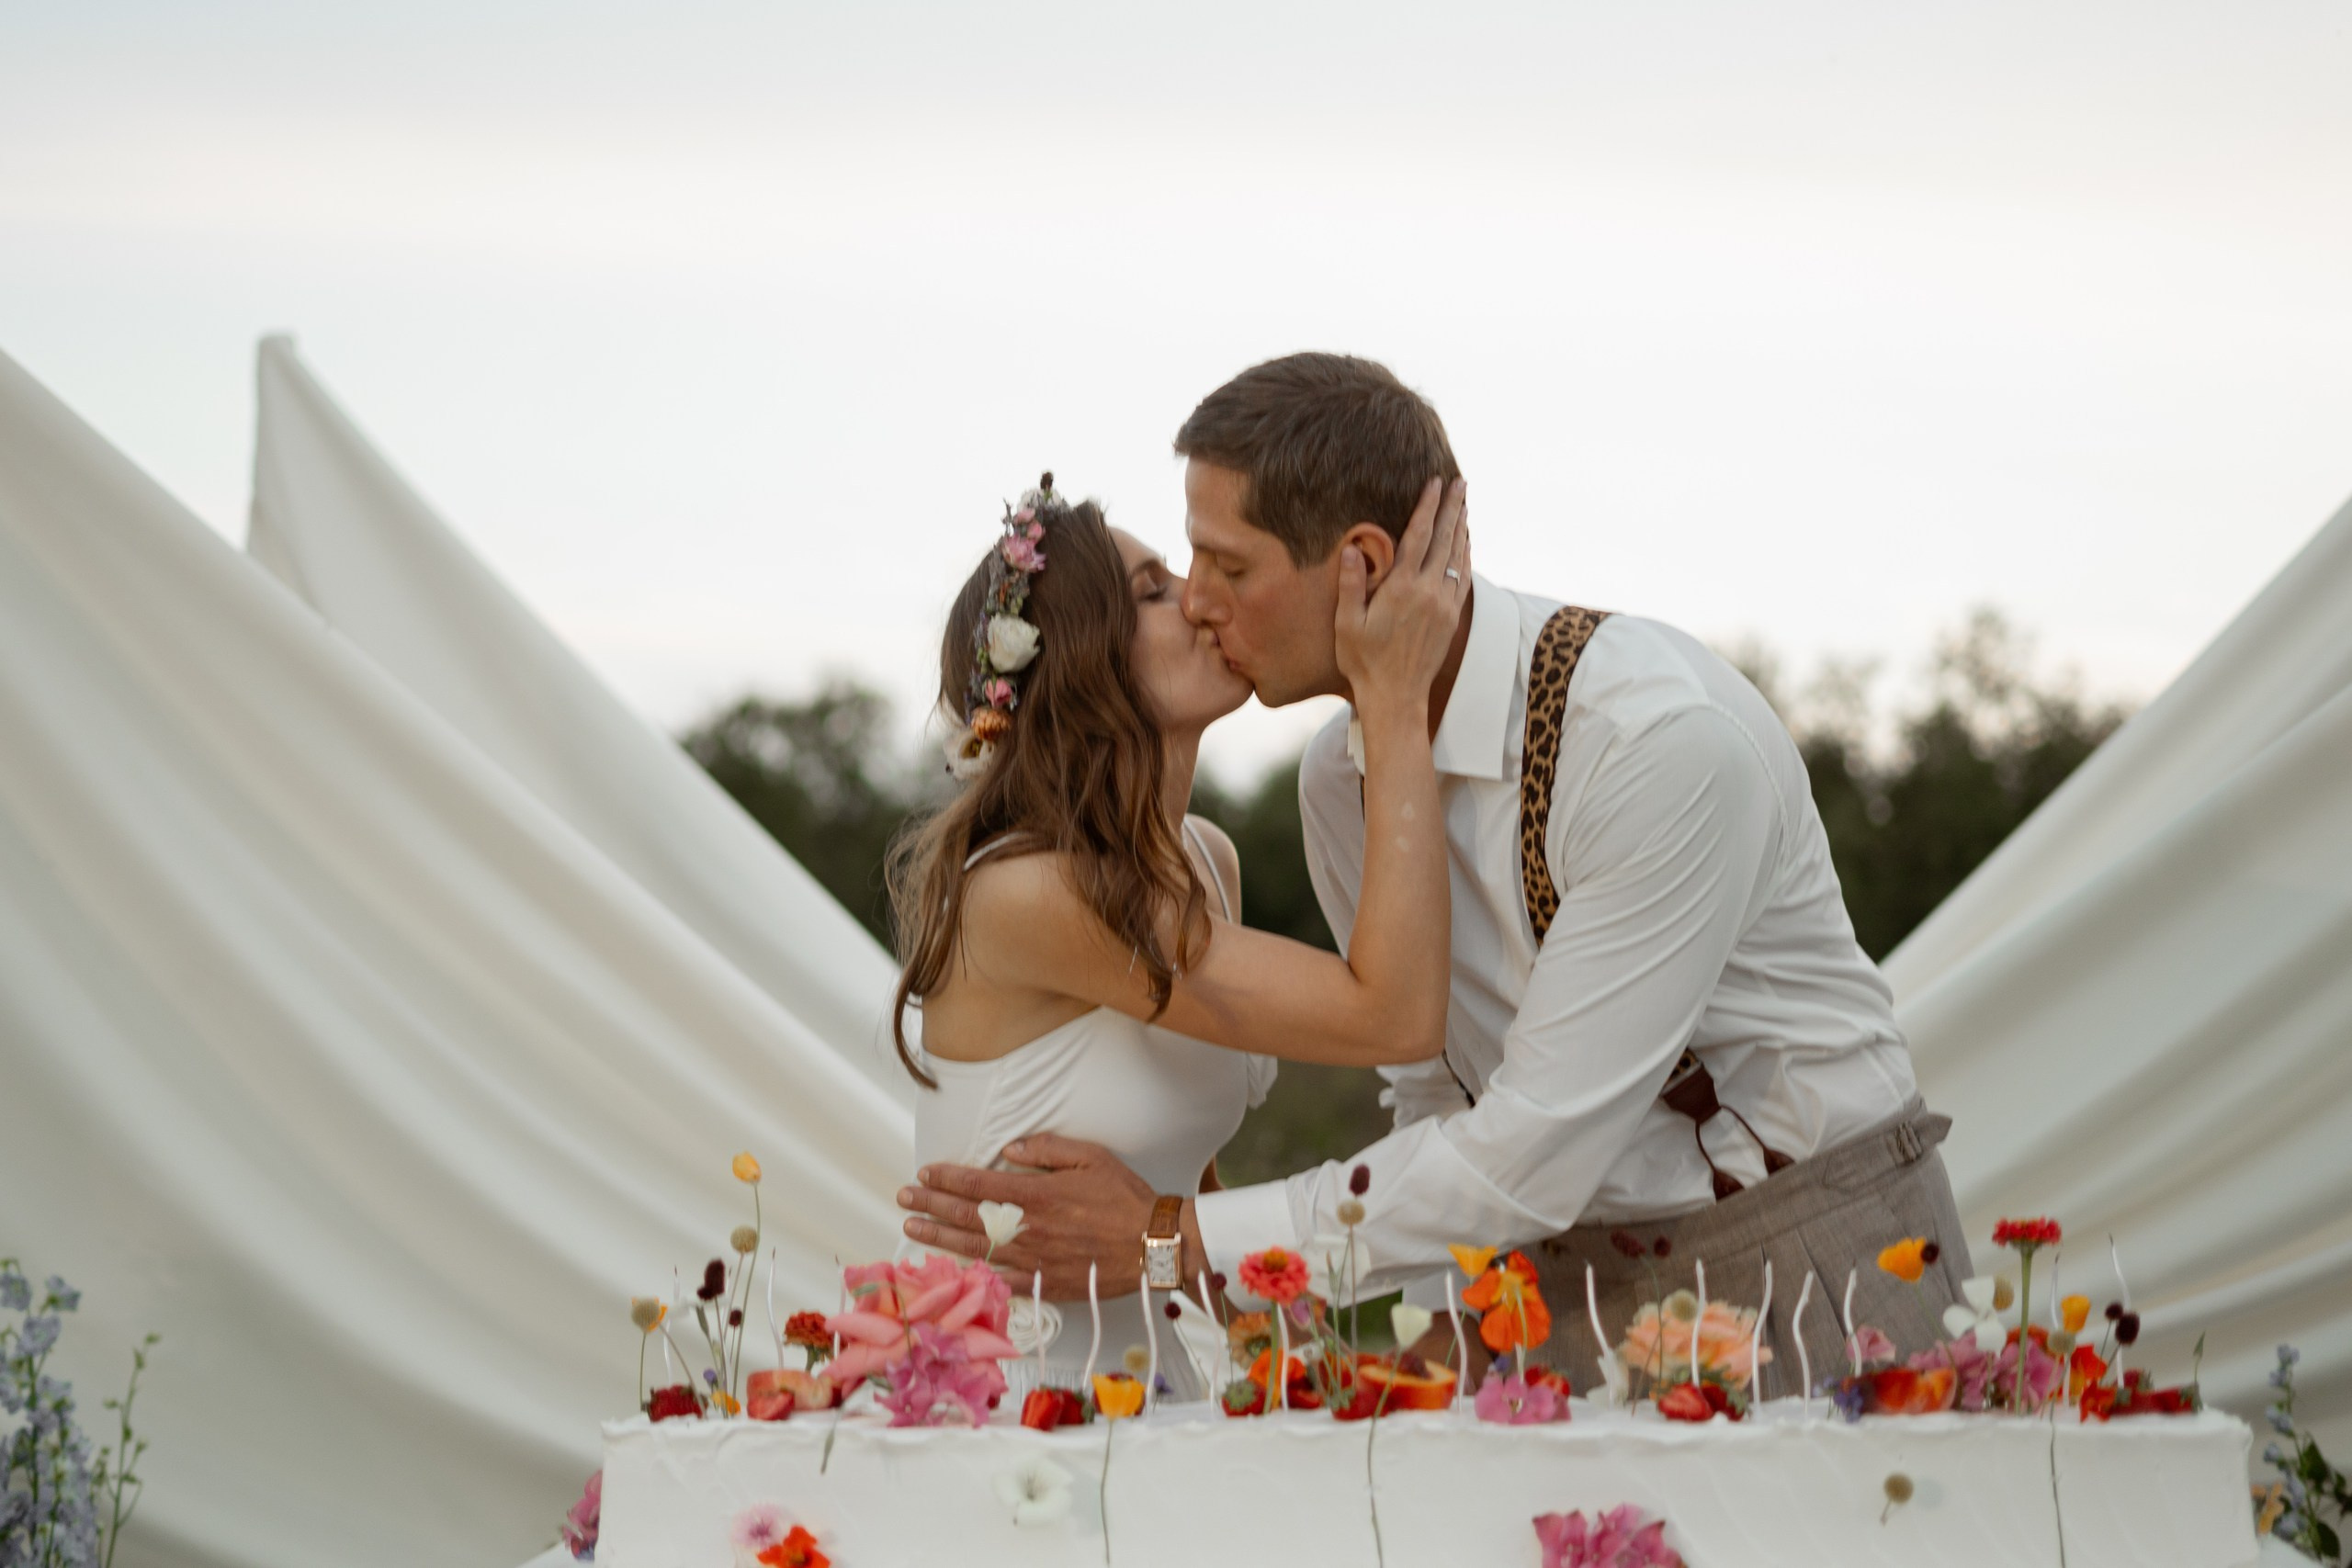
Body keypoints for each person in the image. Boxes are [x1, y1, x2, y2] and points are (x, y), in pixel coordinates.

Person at [901, 357, 1973, 1393]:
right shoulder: (1343, 780)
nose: (1198, 601)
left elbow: (1527, 1140)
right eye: (1177, 573)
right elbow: (1434, 1084)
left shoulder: (1654, 744)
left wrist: (1178, 1245)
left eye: (1226, 568)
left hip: (1807, 1247)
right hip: (1530, 1282)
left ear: (1362, 559)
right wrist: (1440, 1314)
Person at [888, 471, 1468, 1396]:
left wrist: (1282, 1361)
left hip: (1169, 1387)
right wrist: (1389, 697)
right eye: (1155, 591)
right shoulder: (1032, 895)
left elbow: (1177, 1202)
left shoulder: (1206, 859)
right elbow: (1396, 1017)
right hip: (1019, 1398)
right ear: (1082, 660)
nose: (1201, 604)